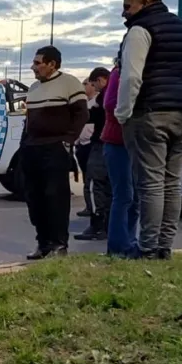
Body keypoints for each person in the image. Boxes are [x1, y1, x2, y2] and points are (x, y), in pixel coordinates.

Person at [115, 0, 182, 260]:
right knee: (172, 182)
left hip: (150, 113)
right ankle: (165, 246)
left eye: (127, 5)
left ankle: (148, 247)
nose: (124, 12)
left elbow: (131, 76)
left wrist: (123, 112)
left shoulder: (140, 30)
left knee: (151, 182)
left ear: (145, 2)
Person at [22, 46, 89, 259]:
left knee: (55, 197)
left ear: (52, 64)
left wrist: (67, 140)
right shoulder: (34, 88)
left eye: (37, 63)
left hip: (54, 148)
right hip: (32, 148)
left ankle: (59, 245)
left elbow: (81, 114)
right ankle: (43, 243)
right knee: (34, 197)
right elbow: (29, 120)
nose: (33, 67)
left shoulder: (69, 83)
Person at [101, 60, 140, 258]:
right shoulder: (119, 72)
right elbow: (109, 104)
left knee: (135, 198)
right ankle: (118, 247)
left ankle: (128, 242)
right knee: (124, 195)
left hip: (134, 143)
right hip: (117, 141)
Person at [75, 67, 112, 241]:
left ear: (101, 79)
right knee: (111, 187)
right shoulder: (117, 92)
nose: (94, 87)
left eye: (93, 83)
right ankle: (109, 225)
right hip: (115, 145)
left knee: (94, 182)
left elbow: (97, 116)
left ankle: (97, 225)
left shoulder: (105, 95)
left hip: (101, 143)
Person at [74, 78, 97, 217]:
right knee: (86, 177)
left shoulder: (96, 103)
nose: (83, 86)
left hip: (90, 144)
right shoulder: (85, 103)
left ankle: (93, 208)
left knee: (92, 177)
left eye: (85, 84)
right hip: (81, 145)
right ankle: (89, 205)